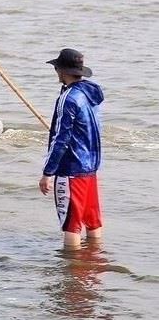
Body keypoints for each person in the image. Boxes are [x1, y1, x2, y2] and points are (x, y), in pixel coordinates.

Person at [38, 48, 104, 249]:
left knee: (71, 226)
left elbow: (61, 139)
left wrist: (47, 173)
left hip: (71, 170)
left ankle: (72, 274)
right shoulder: (88, 94)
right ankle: (94, 263)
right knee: (92, 221)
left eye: (56, 68)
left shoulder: (68, 99)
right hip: (90, 169)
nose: (56, 72)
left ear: (62, 71)